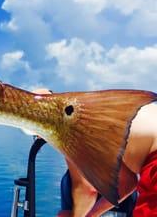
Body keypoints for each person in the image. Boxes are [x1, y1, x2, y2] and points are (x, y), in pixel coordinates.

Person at [33, 89, 157, 217]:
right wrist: (92, 214)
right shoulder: (92, 111)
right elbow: (127, 183)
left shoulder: (70, 128)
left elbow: (87, 191)